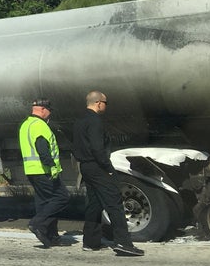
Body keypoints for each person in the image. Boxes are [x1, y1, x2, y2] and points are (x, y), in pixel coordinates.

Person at [72, 91, 144, 257]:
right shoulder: (95, 121)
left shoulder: (79, 121)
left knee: (94, 204)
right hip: (98, 166)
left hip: (85, 167)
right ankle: (123, 243)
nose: (106, 106)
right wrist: (108, 168)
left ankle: (90, 242)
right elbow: (97, 148)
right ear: (98, 103)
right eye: (106, 103)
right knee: (114, 203)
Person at [19, 98, 69, 248]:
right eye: (49, 111)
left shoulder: (25, 125)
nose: (49, 114)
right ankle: (37, 223)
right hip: (44, 170)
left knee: (44, 202)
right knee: (62, 198)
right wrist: (52, 166)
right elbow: (42, 148)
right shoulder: (40, 125)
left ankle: (50, 236)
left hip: (31, 170)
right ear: (42, 109)